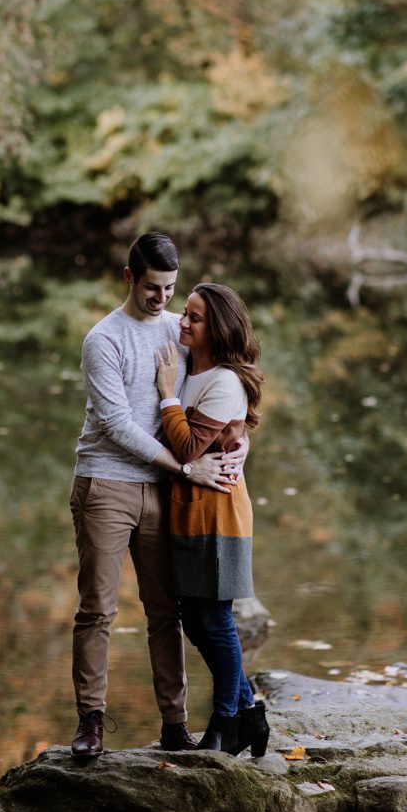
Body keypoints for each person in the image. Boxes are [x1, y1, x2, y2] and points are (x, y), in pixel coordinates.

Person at [68, 231, 245, 760]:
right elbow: (119, 425)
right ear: (128, 277)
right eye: (151, 287)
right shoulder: (104, 340)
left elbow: (231, 379)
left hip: (163, 492)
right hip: (106, 484)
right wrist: (188, 468)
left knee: (165, 612)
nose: (162, 299)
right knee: (97, 609)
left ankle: (175, 724)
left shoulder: (179, 329)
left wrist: (240, 439)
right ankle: (92, 722)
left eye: (169, 288)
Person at [154, 282, 268, 756]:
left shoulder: (222, 381)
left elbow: (187, 448)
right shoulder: (191, 369)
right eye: (184, 312)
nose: (182, 321)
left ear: (216, 329)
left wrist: (166, 396)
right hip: (190, 514)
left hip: (218, 514)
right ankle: (249, 712)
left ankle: (225, 725)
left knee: (214, 619)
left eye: (194, 317)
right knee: (197, 623)